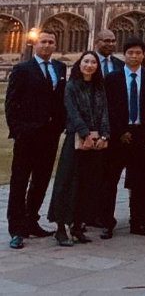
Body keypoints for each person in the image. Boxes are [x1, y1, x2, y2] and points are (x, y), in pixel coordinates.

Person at [5, 29, 66, 249]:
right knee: (19, 182)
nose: (47, 45)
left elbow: (59, 101)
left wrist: (59, 126)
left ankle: (32, 221)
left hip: (49, 136)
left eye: (51, 42)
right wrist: (19, 130)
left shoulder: (59, 68)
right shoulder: (22, 69)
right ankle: (16, 229)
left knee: (40, 181)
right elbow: (11, 103)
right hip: (27, 136)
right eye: (44, 42)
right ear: (35, 45)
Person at [47, 50, 107, 246]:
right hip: (76, 139)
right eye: (86, 61)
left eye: (93, 62)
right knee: (68, 182)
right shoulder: (71, 86)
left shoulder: (99, 87)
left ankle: (78, 225)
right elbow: (71, 111)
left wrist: (105, 134)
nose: (89, 65)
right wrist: (84, 132)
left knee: (88, 183)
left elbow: (105, 112)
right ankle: (61, 228)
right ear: (80, 64)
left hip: (96, 140)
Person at [102, 36, 145, 239]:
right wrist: (119, 132)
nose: (134, 56)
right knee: (111, 181)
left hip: (141, 133)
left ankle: (137, 222)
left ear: (143, 55)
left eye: (138, 53)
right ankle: (107, 222)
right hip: (119, 135)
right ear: (124, 55)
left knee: (139, 182)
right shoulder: (112, 78)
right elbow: (109, 108)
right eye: (130, 53)